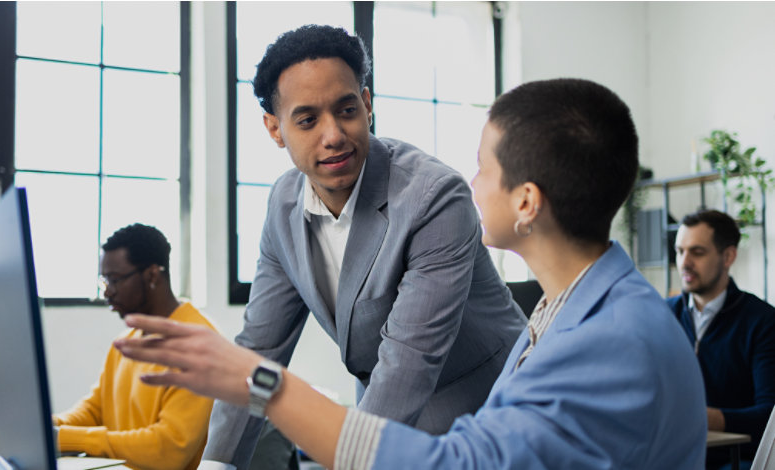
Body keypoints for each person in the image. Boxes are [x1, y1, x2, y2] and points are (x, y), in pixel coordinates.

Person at [114, 78, 708, 469]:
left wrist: (261, 383)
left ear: (527, 202)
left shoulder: (613, 341)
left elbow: (461, 464)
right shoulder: (567, 312)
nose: (470, 182)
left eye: (483, 167)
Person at [197, 24, 526, 469]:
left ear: (367, 106)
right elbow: (260, 351)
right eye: (308, 119)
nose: (333, 135)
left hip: (489, 419)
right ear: (275, 129)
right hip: (379, 423)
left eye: (346, 109)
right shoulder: (283, 205)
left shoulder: (433, 198)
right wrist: (218, 464)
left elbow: (409, 361)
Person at [53, 223, 216, 470]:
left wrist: (64, 438)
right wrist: (47, 428)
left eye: (115, 280)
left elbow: (169, 449)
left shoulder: (199, 345)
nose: (108, 292)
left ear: (152, 275)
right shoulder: (127, 342)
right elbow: (94, 411)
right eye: (104, 280)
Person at [669, 209, 775, 469]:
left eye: (697, 252)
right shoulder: (662, 315)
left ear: (728, 256)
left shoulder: (762, 321)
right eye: (680, 251)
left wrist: (707, 418)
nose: (684, 263)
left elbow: (769, 418)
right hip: (670, 454)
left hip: (733, 461)